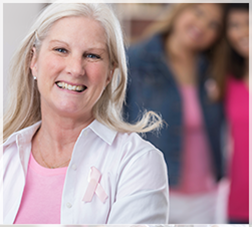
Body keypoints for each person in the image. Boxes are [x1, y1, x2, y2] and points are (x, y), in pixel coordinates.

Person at [1, 3, 168, 224]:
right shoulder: (5, 155)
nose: (76, 69)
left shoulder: (138, 161)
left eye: (92, 56)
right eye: (61, 50)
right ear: (34, 61)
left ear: (110, 73)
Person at [125, 3, 227, 223]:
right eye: (198, 12)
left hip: (206, 197)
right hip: (153, 191)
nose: (202, 25)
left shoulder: (211, 69)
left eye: (213, 24)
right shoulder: (134, 60)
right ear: (180, 10)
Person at [221, 3, 249, 224]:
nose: (242, 32)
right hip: (239, 205)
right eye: (234, 25)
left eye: (248, 23)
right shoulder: (228, 81)